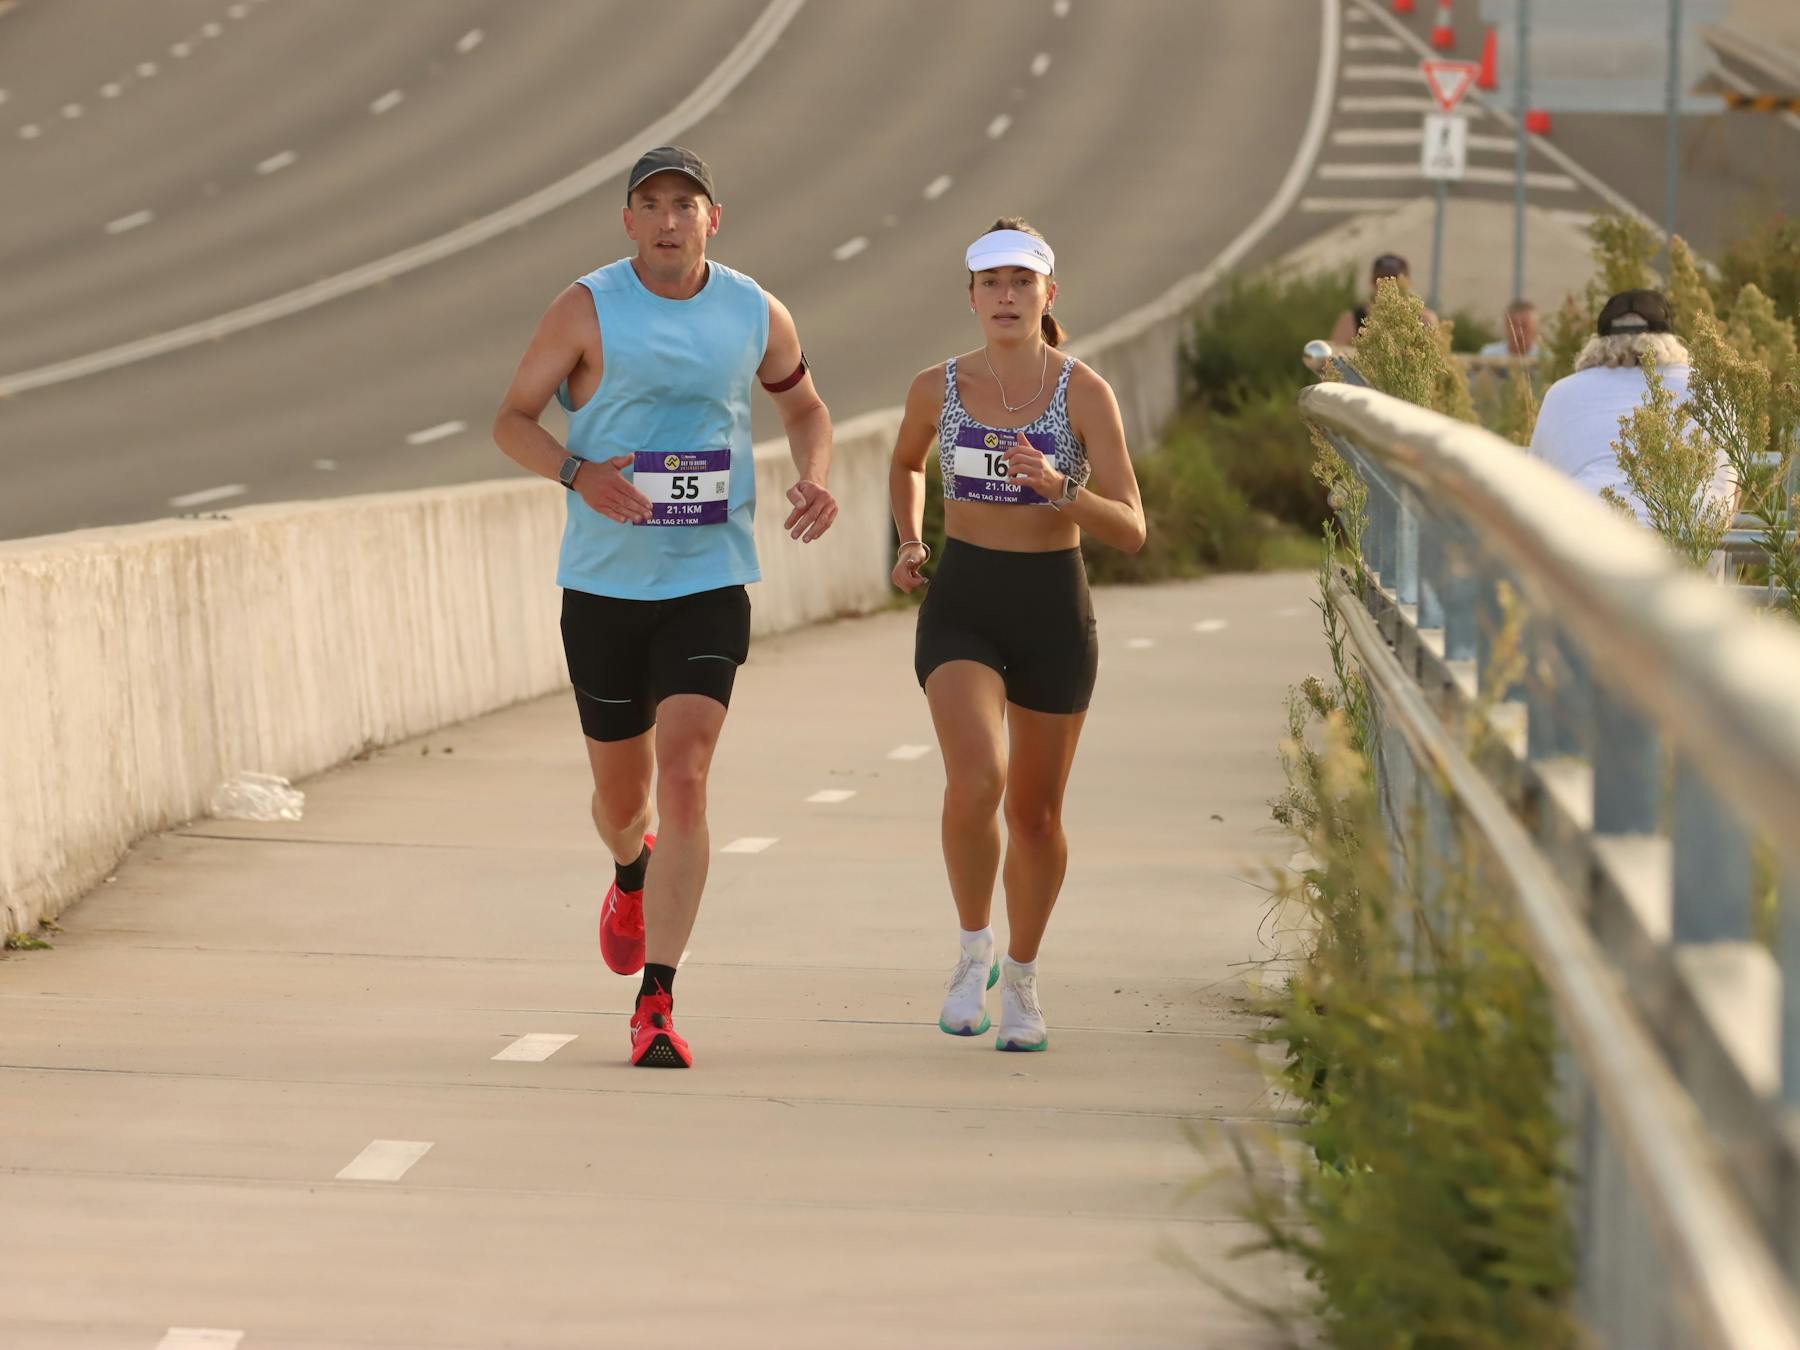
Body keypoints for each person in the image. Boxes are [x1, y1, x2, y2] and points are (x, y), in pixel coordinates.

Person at [491, 146, 837, 1069]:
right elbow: (512, 419)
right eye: (652, 205)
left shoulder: (753, 310)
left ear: (712, 220)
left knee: (686, 776)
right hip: (604, 586)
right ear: (629, 223)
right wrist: (579, 473)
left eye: (687, 204)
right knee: (623, 797)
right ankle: (627, 871)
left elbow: (808, 410)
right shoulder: (586, 307)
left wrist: (813, 479)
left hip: (709, 578)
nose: (671, 219)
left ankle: (658, 1002)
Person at [887, 218, 1146, 1053]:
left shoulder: (1083, 392)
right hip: (963, 600)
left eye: (1021, 283)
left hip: (1052, 610)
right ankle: (973, 954)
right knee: (977, 777)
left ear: (1047, 296)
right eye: (991, 283)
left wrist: (1063, 488)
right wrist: (912, 538)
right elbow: (905, 462)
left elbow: (1134, 528)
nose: (1006, 296)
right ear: (970, 297)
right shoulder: (938, 386)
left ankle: (1024, 983)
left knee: (1035, 815)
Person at [1528, 289, 1733, 525]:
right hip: (1685, 540)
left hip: (1585, 532)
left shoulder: (1561, 393)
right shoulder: (1710, 390)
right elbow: (1730, 491)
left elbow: (1537, 483)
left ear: (1599, 341)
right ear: (1669, 339)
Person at [1329, 253, 1436, 347]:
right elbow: (1335, 360)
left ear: (1408, 282)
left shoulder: (1424, 320)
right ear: (1372, 282)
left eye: (1394, 279)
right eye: (1381, 279)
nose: (1387, 284)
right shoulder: (1351, 320)